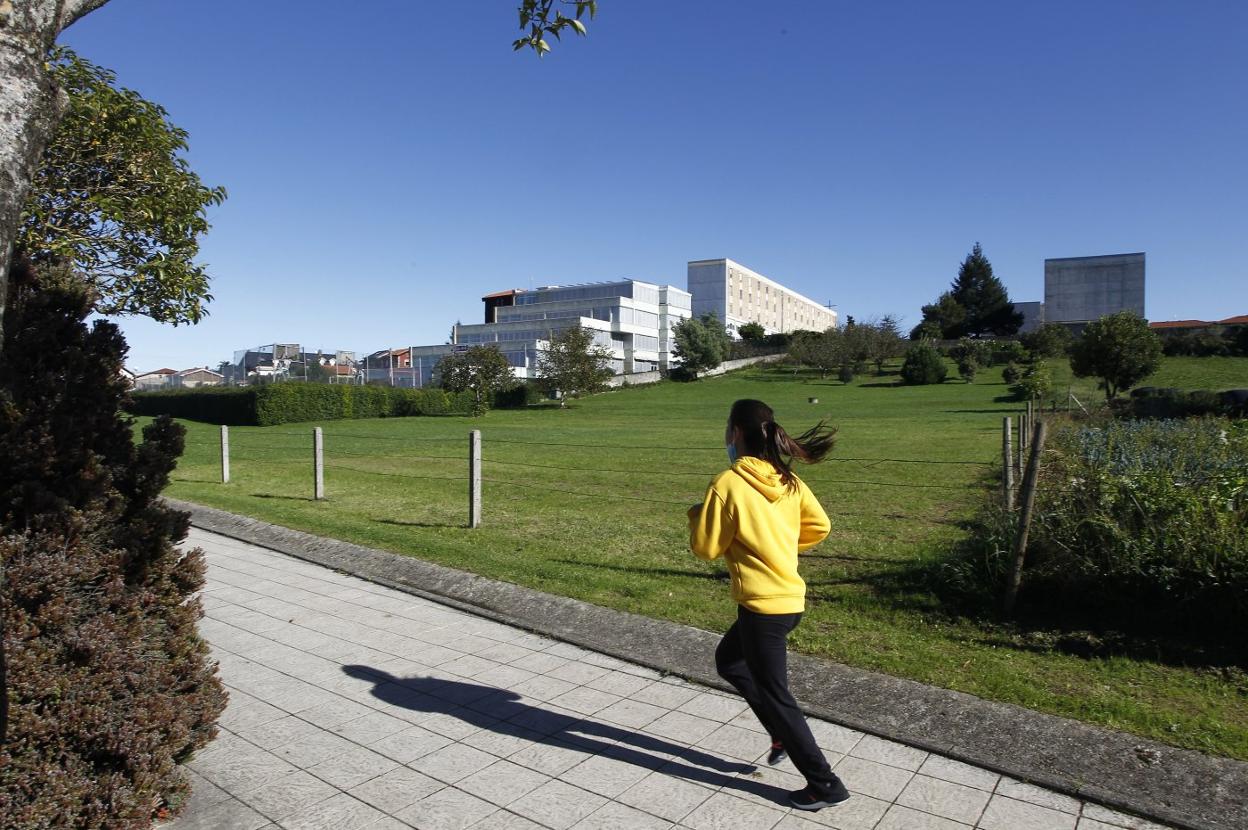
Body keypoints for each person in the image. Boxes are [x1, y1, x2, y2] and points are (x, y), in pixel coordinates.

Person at [687, 398, 850, 811]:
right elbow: (821, 526)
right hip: (789, 601)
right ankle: (778, 734)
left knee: (779, 697)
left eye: (727, 427)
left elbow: (706, 549)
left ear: (736, 433)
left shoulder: (727, 483)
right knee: (730, 662)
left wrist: (696, 514)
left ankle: (825, 785)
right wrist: (781, 548)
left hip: (763, 609)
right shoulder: (788, 480)